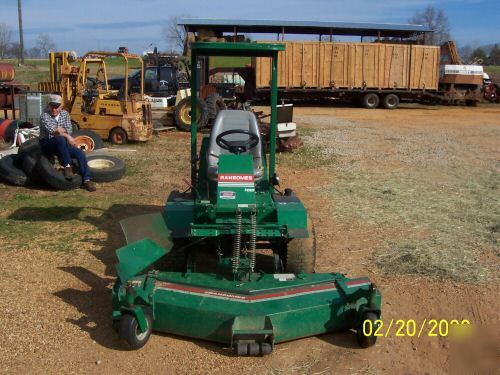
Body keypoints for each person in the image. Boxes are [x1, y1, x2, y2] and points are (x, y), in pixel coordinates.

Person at [39, 94, 96, 192]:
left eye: (56, 106)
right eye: (52, 106)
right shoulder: (44, 115)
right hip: (47, 143)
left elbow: (69, 129)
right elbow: (53, 131)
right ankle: (67, 166)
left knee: (80, 153)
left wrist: (62, 132)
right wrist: (67, 136)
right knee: (60, 139)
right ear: (49, 105)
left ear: (61, 107)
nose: (54, 109)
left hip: (62, 145)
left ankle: (87, 180)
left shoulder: (65, 114)